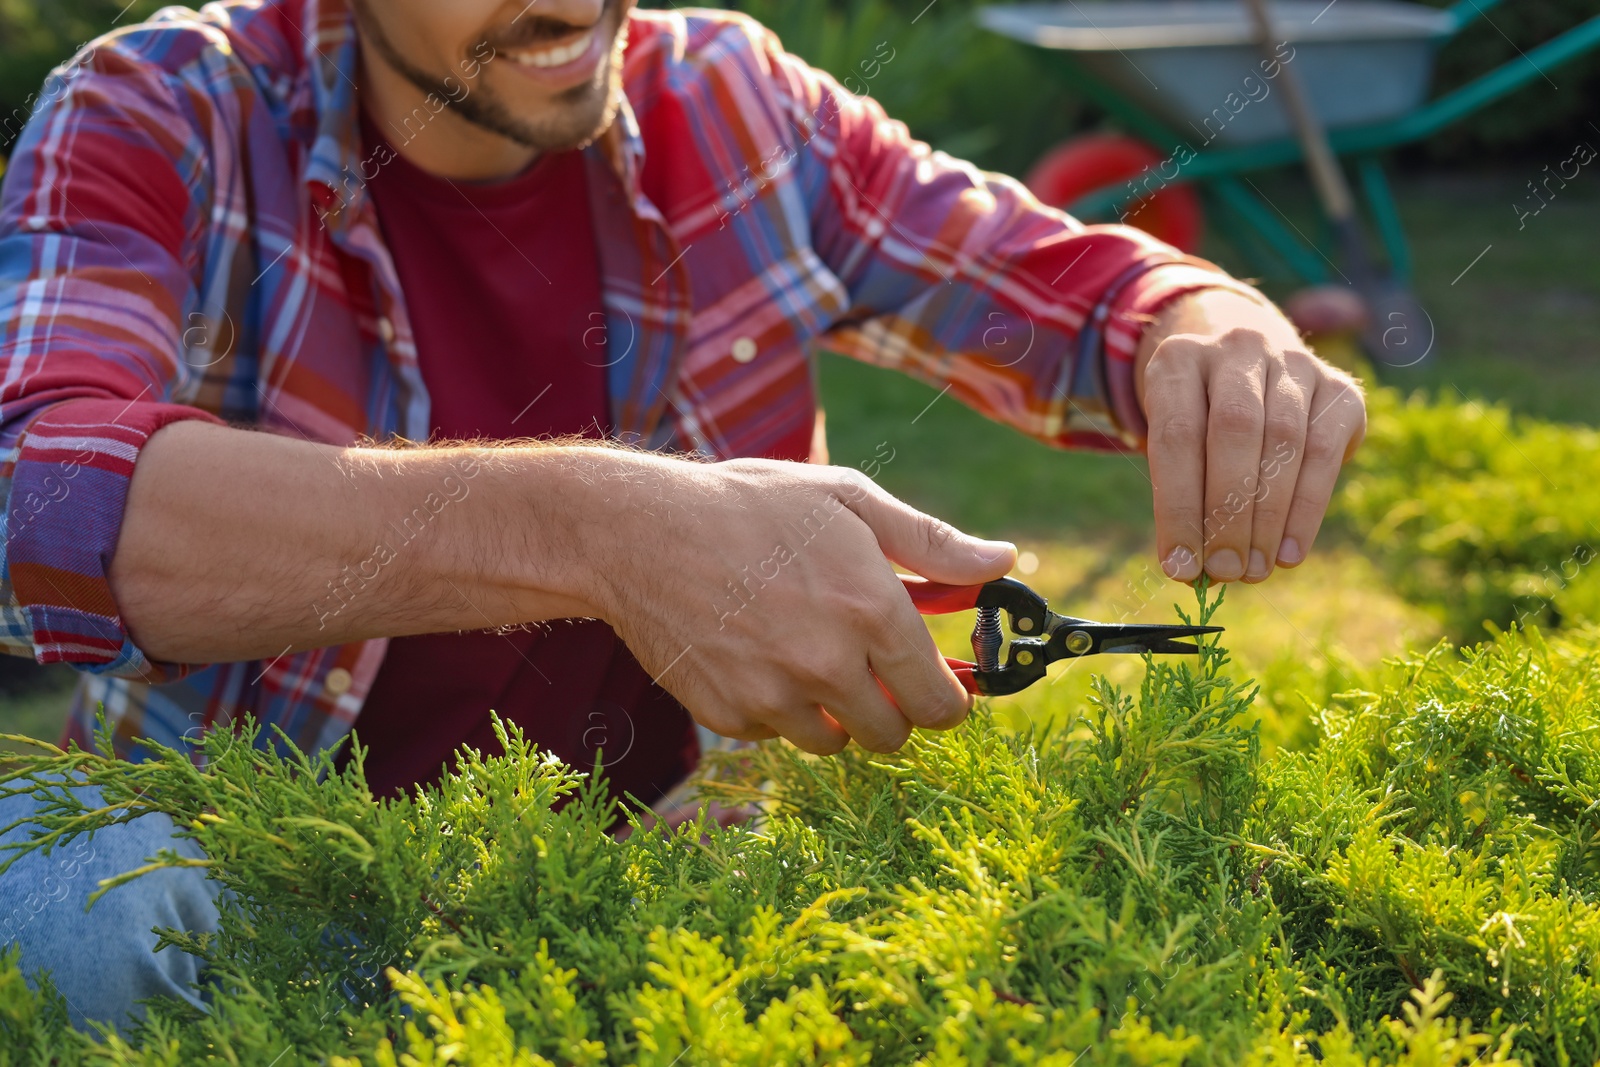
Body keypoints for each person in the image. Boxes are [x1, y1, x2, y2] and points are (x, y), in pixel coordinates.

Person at [0, 0, 1365, 1032]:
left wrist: (1199, 322)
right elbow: (37, 501)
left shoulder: (726, 93)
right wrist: (600, 526)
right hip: (253, 900)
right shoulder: (164, 108)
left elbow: (1046, 289)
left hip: (662, 901)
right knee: (65, 892)